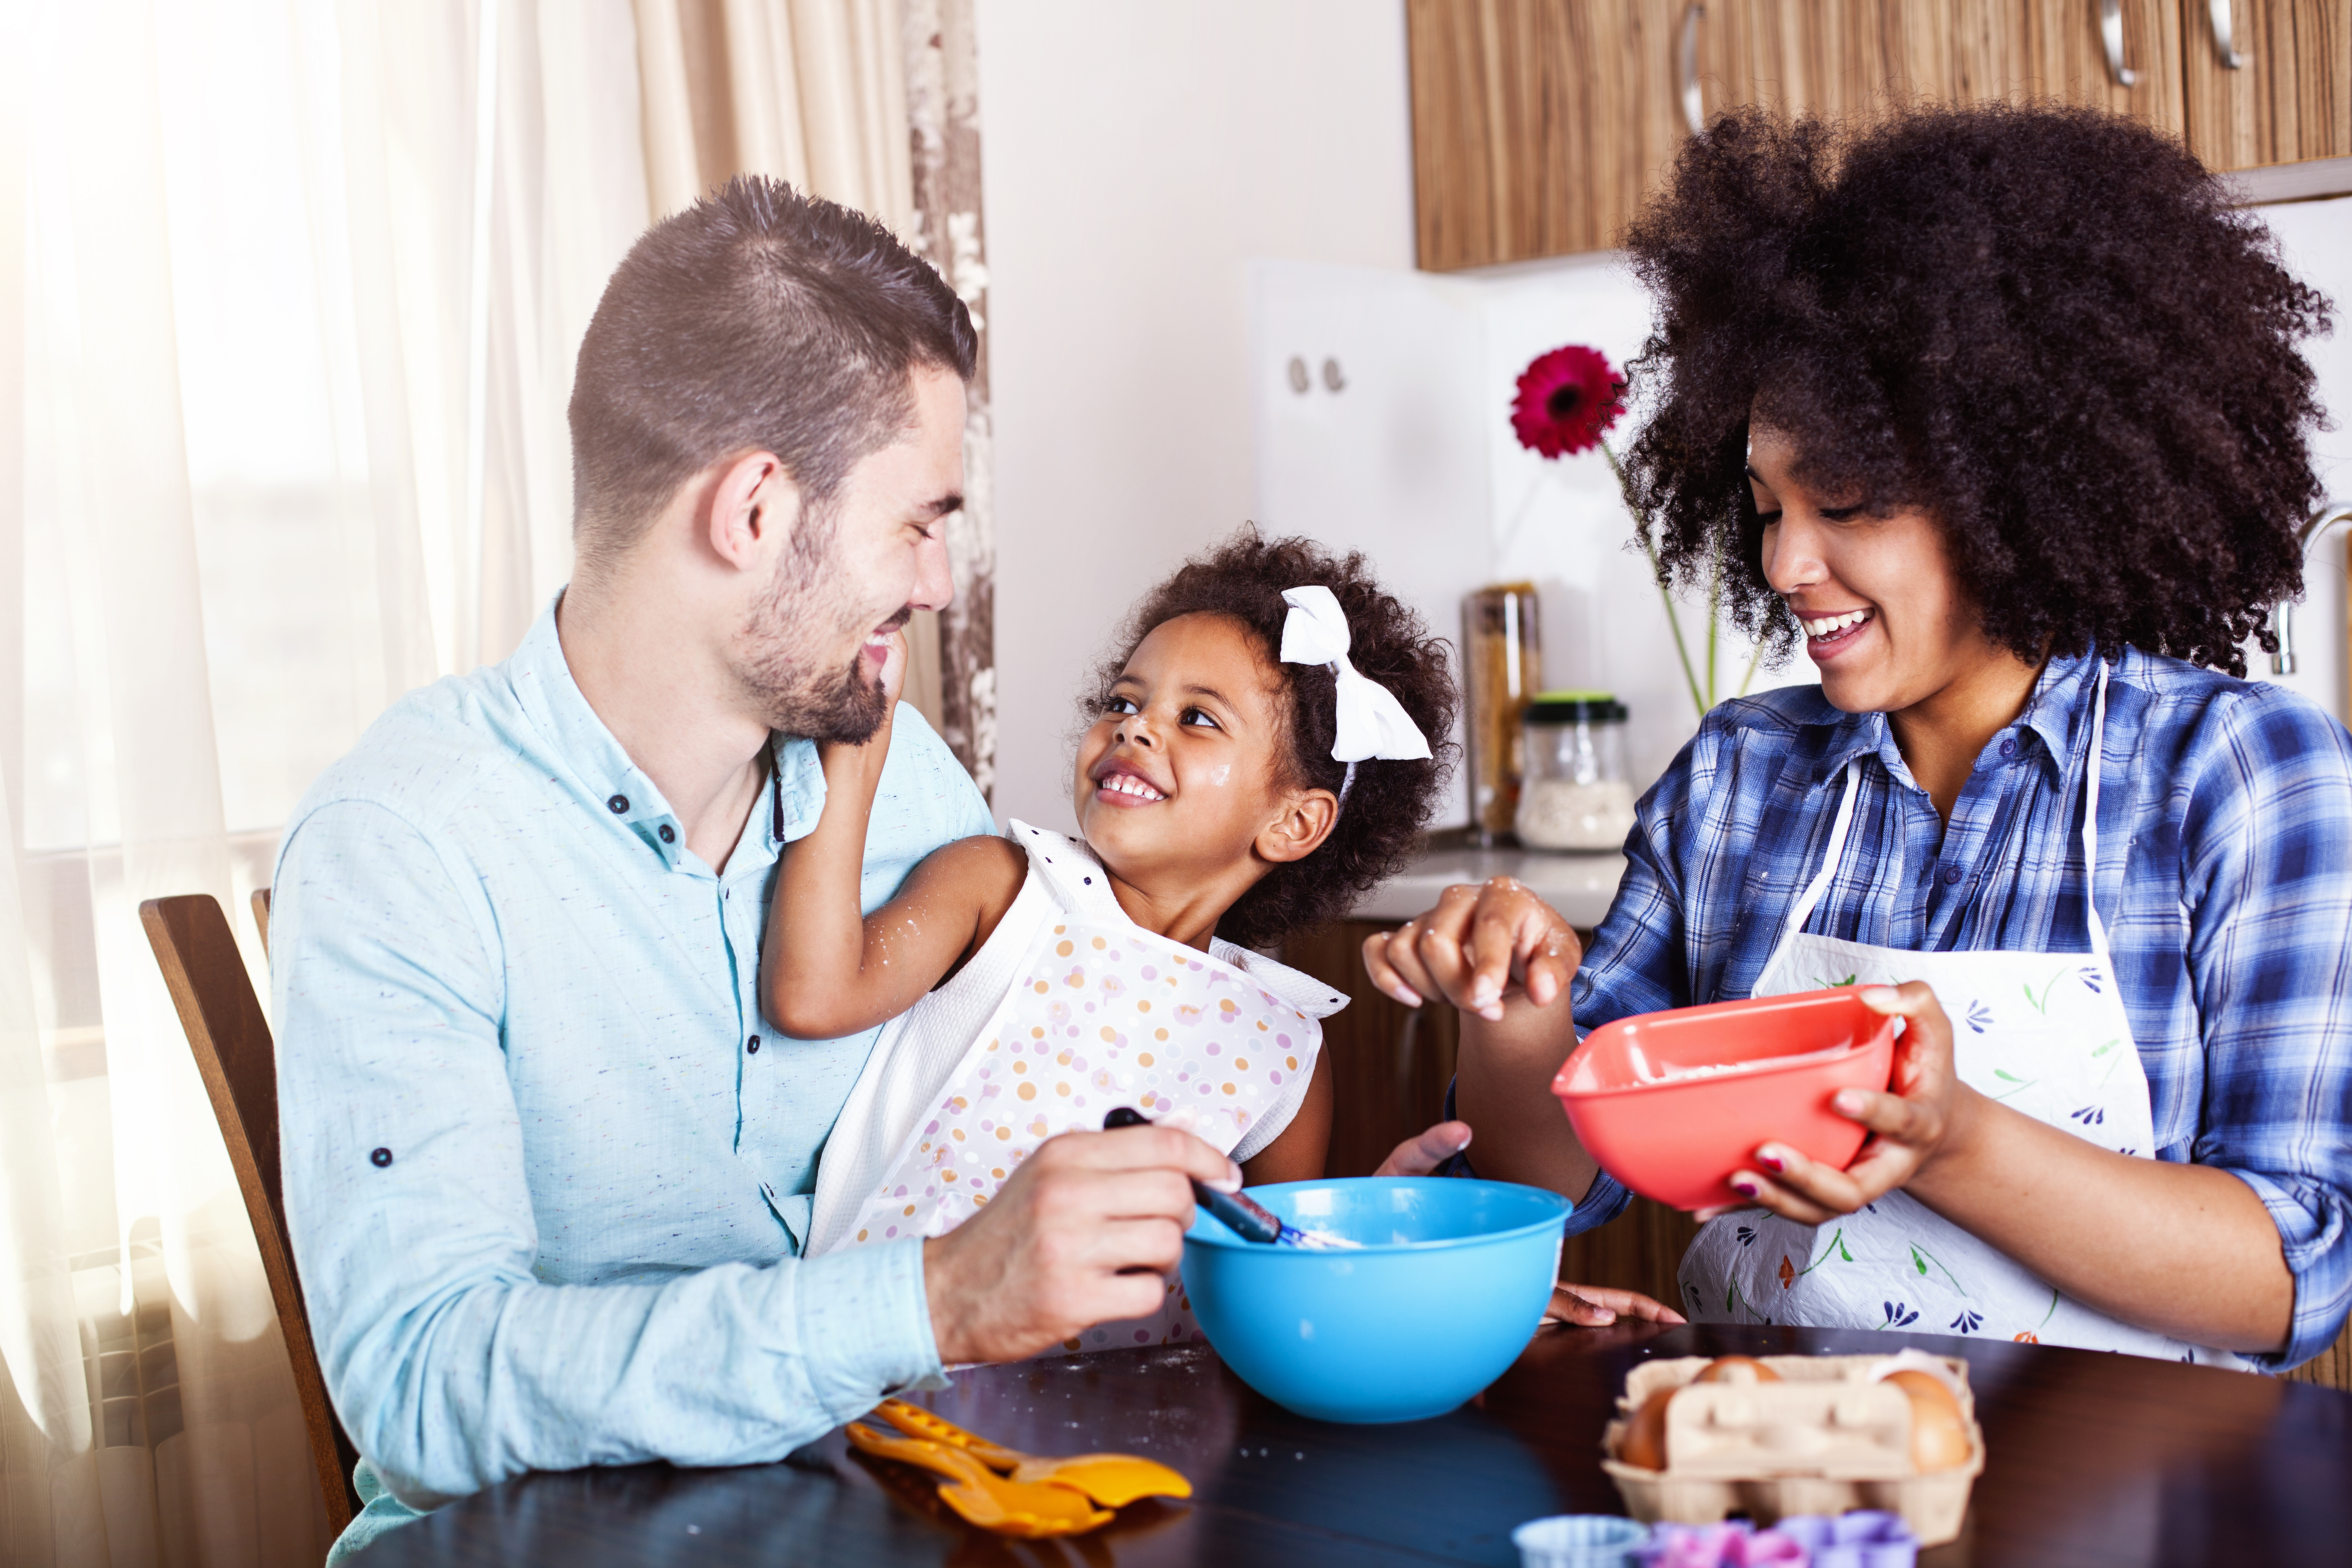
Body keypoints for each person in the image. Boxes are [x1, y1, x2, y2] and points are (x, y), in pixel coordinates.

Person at [274, 178, 1238, 1560]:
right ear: (752, 510)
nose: (939, 583)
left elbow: (1007, 1176)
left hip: (890, 1511)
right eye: (917, 521)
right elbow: (422, 1382)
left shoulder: (902, 785)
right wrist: (928, 1299)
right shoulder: (406, 841)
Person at [1367, 104, 2352, 1369]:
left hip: (2121, 1489)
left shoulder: (2241, 776)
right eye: (1767, 505)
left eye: (1845, 504)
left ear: (2016, 491)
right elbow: (1547, 1189)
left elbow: (2290, 1278)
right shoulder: (1741, 776)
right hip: (1763, 1469)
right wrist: (1514, 1009)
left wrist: (1955, 1143)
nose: (1785, 561)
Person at [775, 532, 1445, 1338]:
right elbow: (812, 996)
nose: (1135, 730)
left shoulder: (1286, 1052)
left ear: (1295, 822)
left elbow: (1273, 1298)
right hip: (875, 1374)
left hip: (1115, 1443)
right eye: (1123, 703)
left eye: (1196, 718)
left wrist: (1394, 1267)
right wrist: (856, 753)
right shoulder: (999, 888)